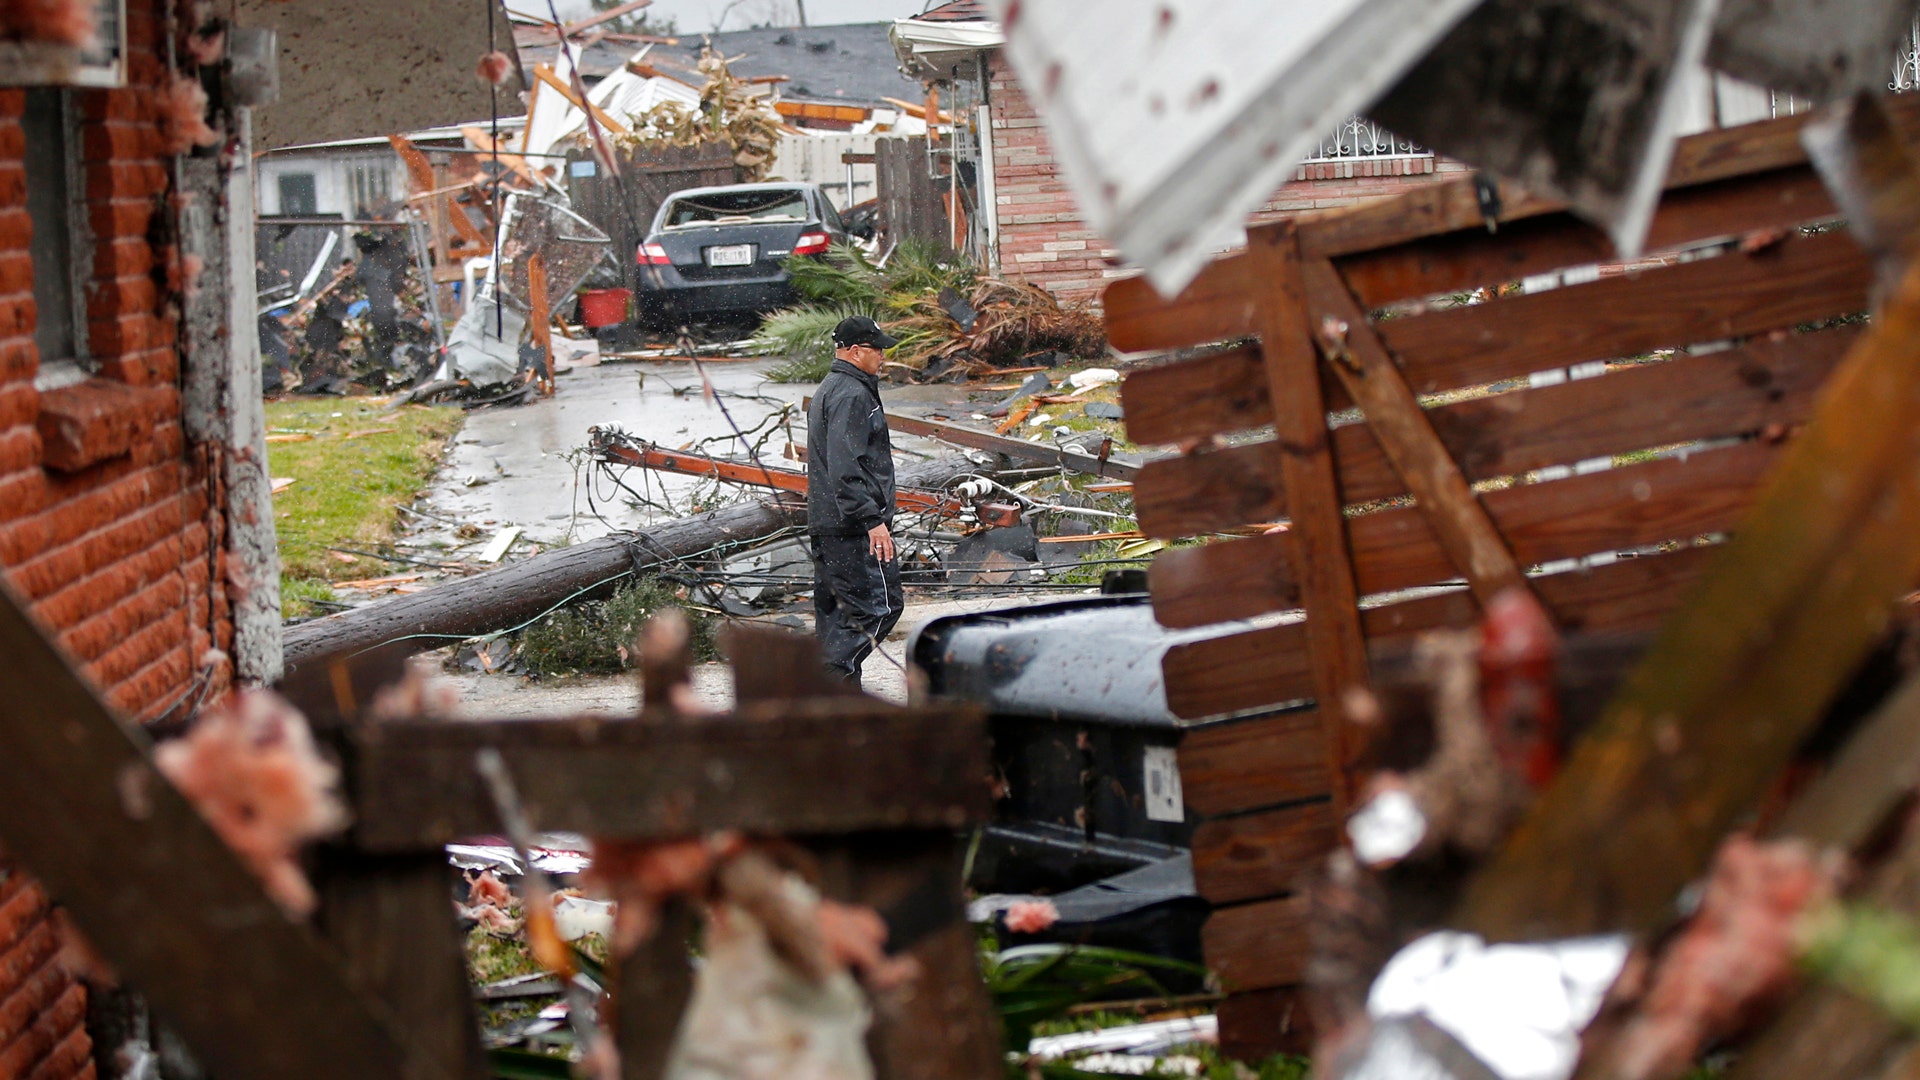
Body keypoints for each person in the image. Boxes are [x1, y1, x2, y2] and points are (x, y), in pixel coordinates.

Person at [806, 315, 904, 684]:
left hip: (829, 523)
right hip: (852, 528)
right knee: (879, 609)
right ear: (855, 351)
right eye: (877, 349)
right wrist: (872, 522)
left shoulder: (832, 388)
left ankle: (839, 699)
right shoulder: (851, 393)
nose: (883, 356)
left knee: (838, 616)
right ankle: (827, 682)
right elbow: (846, 468)